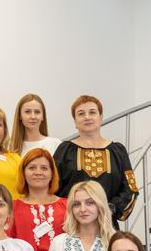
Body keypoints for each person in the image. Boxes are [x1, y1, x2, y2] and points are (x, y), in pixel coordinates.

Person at [54, 95, 138, 226]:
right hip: (71, 225)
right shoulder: (64, 150)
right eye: (81, 114)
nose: (87, 117)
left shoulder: (118, 151)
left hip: (107, 226)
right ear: (75, 121)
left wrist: (109, 209)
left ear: (101, 117)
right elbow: (52, 188)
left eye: (92, 112)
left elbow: (130, 189)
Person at [7, 148, 68, 251]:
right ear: (23, 173)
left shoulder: (68, 206)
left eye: (44, 168)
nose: (38, 172)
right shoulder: (11, 207)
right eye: (32, 168)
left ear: (52, 173)